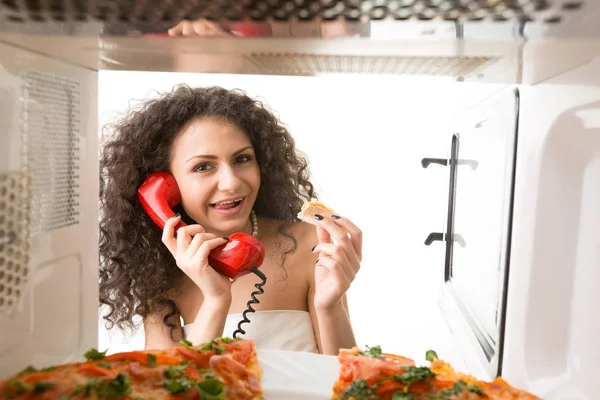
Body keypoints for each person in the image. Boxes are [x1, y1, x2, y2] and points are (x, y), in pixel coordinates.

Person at [99, 85, 362, 355]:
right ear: (166, 185)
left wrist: (329, 306)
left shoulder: (309, 242)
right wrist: (216, 300)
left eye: (242, 159)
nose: (231, 182)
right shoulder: (159, 276)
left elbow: (350, 386)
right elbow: (172, 392)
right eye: (203, 166)